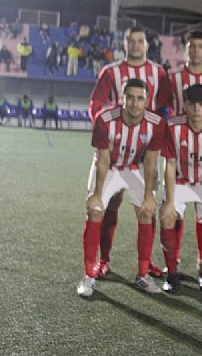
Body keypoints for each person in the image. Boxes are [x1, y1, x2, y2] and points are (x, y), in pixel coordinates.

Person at [88, 27, 172, 279]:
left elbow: (165, 107)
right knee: (109, 204)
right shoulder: (111, 71)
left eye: (140, 41)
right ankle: (104, 259)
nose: (135, 45)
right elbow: (95, 105)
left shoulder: (158, 72)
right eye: (130, 41)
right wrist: (106, 135)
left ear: (147, 45)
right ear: (124, 44)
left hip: (145, 152)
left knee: (148, 206)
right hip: (114, 153)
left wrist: (157, 135)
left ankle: (148, 262)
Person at [76, 79, 167, 297]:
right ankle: (88, 277)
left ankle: (143, 275)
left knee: (147, 211)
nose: (135, 104)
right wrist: (97, 195)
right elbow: (103, 160)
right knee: (95, 211)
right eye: (130, 98)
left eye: (140, 98)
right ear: (122, 99)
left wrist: (148, 196)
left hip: (136, 167)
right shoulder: (105, 119)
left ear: (147, 101)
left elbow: (151, 161)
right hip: (110, 168)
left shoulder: (156, 123)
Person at [160, 84, 202, 293]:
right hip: (180, 180)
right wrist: (170, 202)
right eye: (192, 104)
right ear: (185, 105)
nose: (197, 109)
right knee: (167, 217)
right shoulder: (172, 126)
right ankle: (172, 273)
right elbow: (170, 165)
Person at [165, 31, 202, 270]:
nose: (197, 51)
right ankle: (172, 264)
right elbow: (164, 104)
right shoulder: (174, 78)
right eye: (193, 46)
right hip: (179, 147)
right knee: (169, 214)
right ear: (186, 49)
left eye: (201, 47)